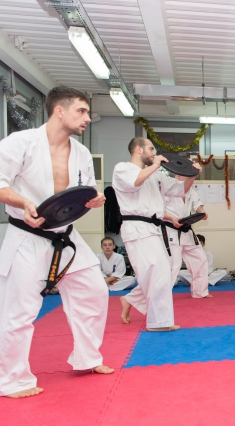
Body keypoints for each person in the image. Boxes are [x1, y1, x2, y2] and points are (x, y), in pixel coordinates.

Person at [0, 86, 113, 398]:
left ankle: (87, 358)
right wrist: (24, 203)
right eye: (81, 111)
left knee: (94, 292)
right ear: (59, 111)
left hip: (66, 236)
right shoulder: (20, 143)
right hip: (27, 236)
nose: (87, 118)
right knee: (19, 311)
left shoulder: (81, 153)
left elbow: (86, 191)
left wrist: (95, 199)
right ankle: (12, 380)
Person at [113, 137, 201, 331]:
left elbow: (180, 189)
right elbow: (134, 182)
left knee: (162, 272)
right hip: (136, 228)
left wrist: (193, 174)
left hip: (154, 229)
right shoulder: (122, 169)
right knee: (157, 272)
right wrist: (155, 165)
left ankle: (143, 309)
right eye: (151, 149)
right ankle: (158, 321)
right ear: (138, 149)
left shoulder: (156, 175)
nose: (154, 153)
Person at [163, 177, 211, 298]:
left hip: (187, 231)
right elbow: (157, 212)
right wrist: (171, 218)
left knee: (200, 259)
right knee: (174, 265)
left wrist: (202, 212)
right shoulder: (167, 189)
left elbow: (198, 205)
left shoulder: (190, 191)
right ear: (178, 175)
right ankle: (161, 295)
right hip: (171, 231)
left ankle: (200, 291)